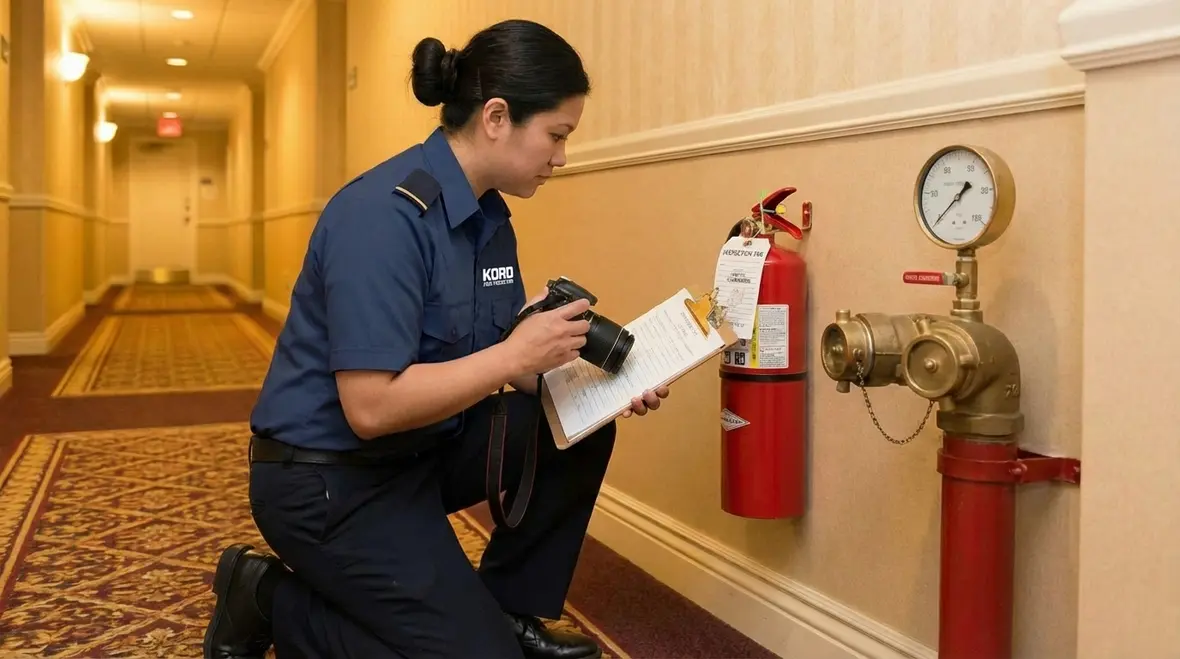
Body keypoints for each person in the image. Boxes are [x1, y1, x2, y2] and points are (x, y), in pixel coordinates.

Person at [202, 19, 670, 659]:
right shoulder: (381, 218)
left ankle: (512, 610)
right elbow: (370, 410)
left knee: (575, 423)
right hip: (329, 482)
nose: (562, 156)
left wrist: (598, 384)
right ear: (497, 117)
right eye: (557, 135)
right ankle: (263, 595)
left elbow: (502, 356)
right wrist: (513, 355)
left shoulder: (489, 216)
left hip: (421, 453)